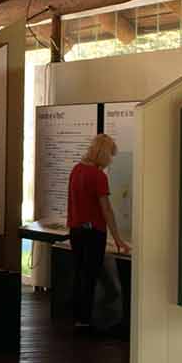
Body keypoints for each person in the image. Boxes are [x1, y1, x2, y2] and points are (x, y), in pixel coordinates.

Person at [66, 133, 127, 330]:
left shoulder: (76, 170)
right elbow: (106, 210)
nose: (111, 159)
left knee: (79, 273)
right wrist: (118, 238)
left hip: (76, 231)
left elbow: (72, 202)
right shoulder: (98, 176)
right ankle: (86, 320)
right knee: (91, 276)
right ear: (104, 153)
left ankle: (78, 317)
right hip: (94, 233)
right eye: (110, 154)